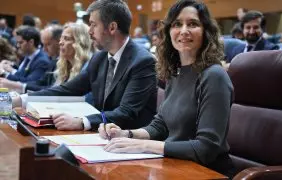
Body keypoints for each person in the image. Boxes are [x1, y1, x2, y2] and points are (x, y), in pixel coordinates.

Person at [98, 0, 235, 177]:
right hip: (175, 165)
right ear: (169, 31)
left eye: (192, 24)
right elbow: (161, 125)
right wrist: (126, 134)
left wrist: (144, 146)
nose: (184, 31)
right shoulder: (175, 73)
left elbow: (206, 148)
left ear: (206, 32)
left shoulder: (214, 76)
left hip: (207, 172)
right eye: (177, 24)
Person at [13, 0, 157, 131]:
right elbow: (68, 89)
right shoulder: (99, 58)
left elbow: (126, 113)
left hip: (131, 143)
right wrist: (22, 99)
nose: (89, 31)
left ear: (112, 27)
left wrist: (82, 121)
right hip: (101, 136)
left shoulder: (143, 61)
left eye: (94, 25)